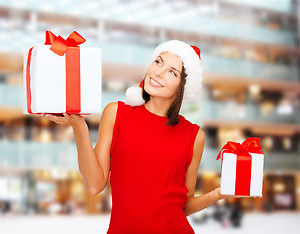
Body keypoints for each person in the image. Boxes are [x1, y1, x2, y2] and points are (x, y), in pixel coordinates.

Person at [38, 40, 244, 234]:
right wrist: (79, 126)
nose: (159, 72)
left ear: (182, 86)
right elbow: (94, 184)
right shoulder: (116, 113)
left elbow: (183, 205)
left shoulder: (194, 136)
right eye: (158, 62)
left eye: (172, 72)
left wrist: (218, 194)